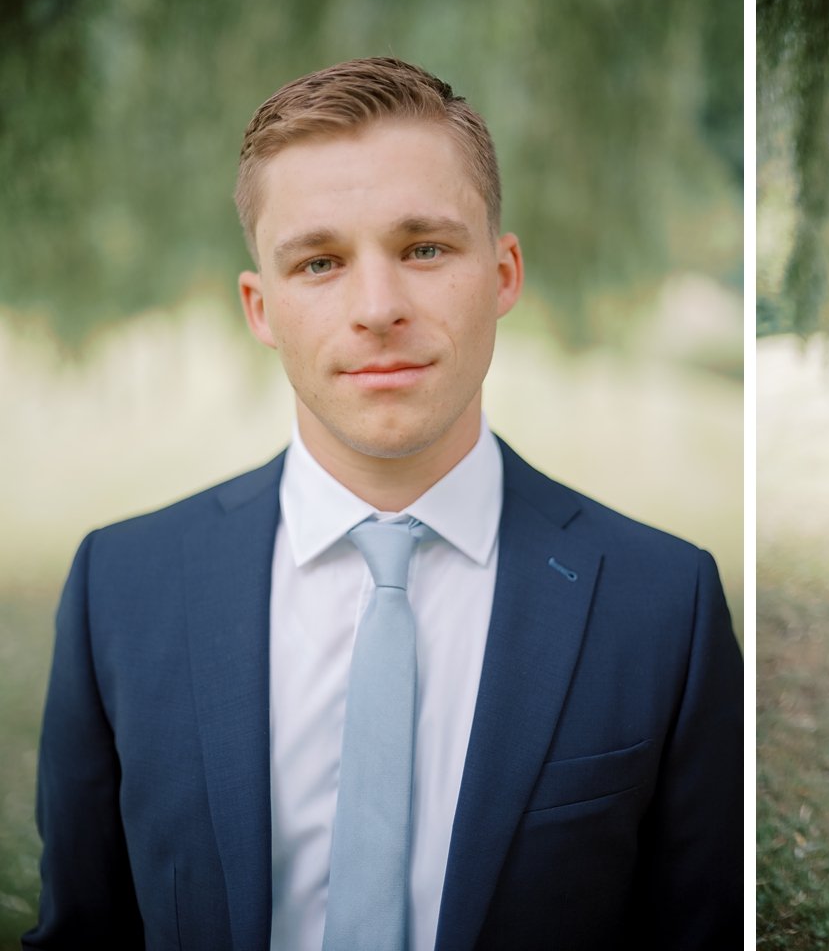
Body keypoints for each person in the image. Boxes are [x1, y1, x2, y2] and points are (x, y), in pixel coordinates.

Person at [25, 56, 742, 951]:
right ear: (261, 307)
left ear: (504, 272)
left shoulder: (663, 603)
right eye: (319, 261)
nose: (377, 307)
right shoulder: (120, 589)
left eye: (424, 249)